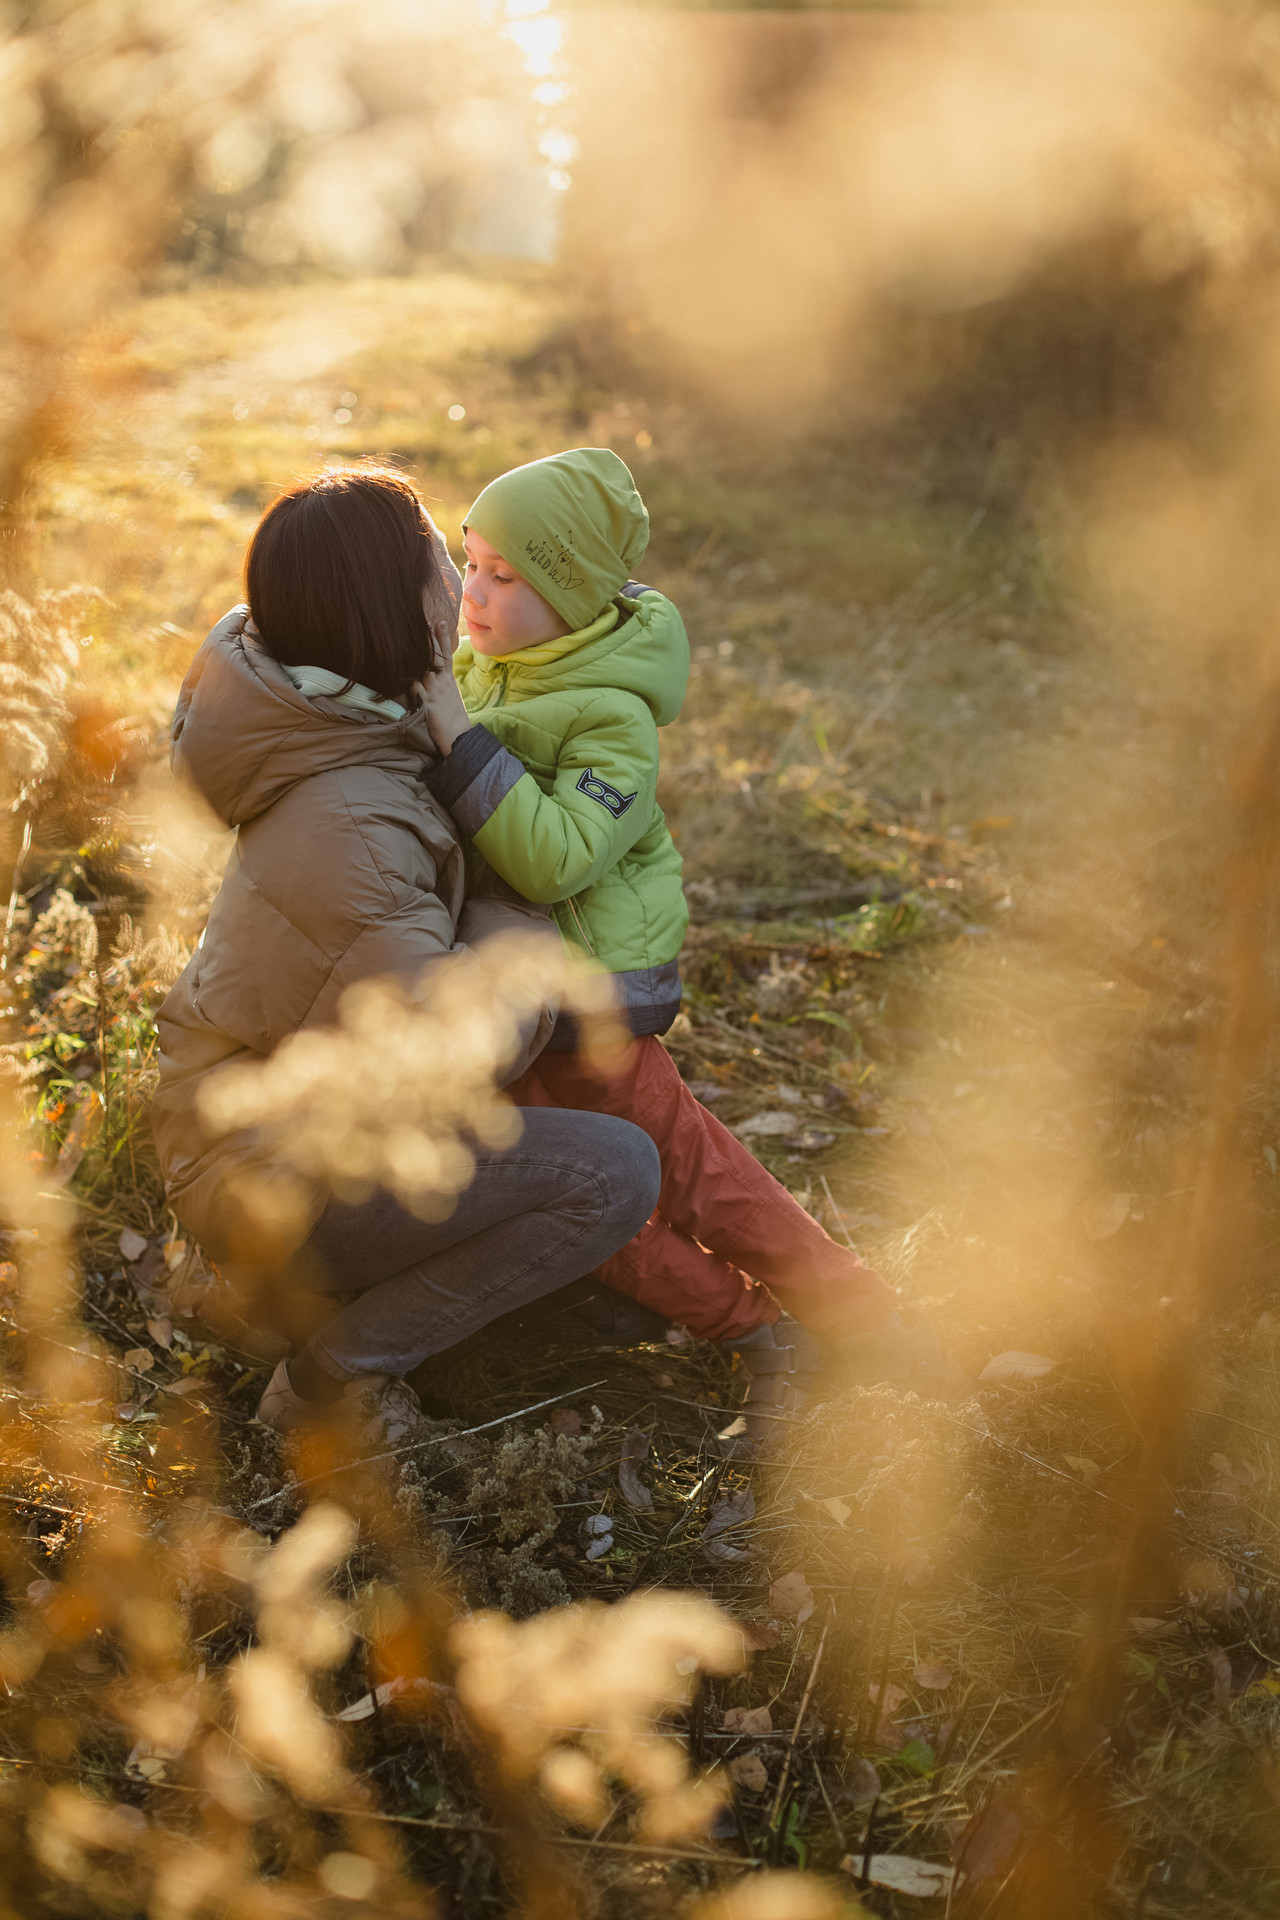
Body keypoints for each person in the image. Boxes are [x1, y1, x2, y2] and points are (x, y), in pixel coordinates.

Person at [418, 448, 966, 1453]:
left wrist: (458, 745)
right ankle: (750, 1331)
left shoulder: (609, 719)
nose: (474, 593)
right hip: (504, 1009)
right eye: (469, 562)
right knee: (582, 1200)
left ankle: (862, 1318)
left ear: (573, 595)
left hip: (588, 1008)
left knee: (698, 1175)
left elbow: (556, 860)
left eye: (506, 576)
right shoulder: (478, 669)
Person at [150, 463, 661, 1446]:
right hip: (264, 1171)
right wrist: (519, 896)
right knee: (613, 1174)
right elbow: (456, 1051)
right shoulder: (351, 822)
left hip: (265, 1112)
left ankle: (477, 1283)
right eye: (442, 564)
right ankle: (327, 1375)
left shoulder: (341, 713)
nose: (463, 587)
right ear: (393, 610)